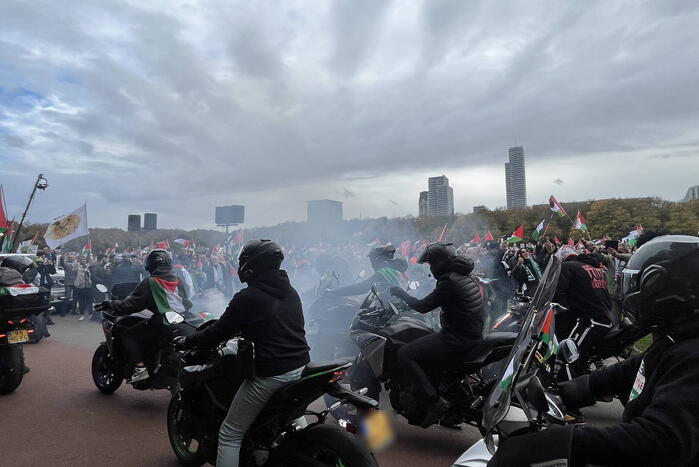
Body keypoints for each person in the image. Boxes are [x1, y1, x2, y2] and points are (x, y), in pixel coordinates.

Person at [489, 234, 699, 467]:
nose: (633, 291)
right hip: (603, 319)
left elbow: (661, 440)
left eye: (644, 284)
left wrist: (561, 441)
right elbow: (632, 369)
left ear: (670, 288)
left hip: (591, 320)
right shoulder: (675, 339)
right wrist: (567, 392)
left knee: (568, 352)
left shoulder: (692, 355)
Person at [173, 239, 310, 467]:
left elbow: (218, 331)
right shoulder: (290, 291)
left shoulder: (247, 297)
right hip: (302, 366)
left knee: (230, 432)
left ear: (252, 265)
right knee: (294, 418)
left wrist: (188, 340)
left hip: (272, 373)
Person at [390, 242, 483, 427]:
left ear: (440, 263)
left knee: (405, 353)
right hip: (472, 335)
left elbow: (423, 306)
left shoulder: (448, 282)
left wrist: (401, 294)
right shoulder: (467, 276)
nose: (431, 268)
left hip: (455, 338)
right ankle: (450, 413)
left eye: (431, 264)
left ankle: (433, 400)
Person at [95, 249, 191, 382]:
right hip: (182, 319)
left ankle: (140, 369)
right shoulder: (178, 280)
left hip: (163, 322)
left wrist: (111, 304)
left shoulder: (150, 282)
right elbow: (187, 301)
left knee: (128, 335)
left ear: (150, 265)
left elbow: (131, 305)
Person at [553, 245, 612, 355]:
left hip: (590, 321)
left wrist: (561, 311)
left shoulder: (567, 266)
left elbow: (558, 292)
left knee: (567, 356)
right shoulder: (595, 269)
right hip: (606, 317)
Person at [324, 245, 408, 297]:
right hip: (402, 307)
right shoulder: (394, 269)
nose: (371, 263)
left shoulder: (384, 273)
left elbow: (362, 287)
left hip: (396, 311)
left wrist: (334, 292)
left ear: (376, 259)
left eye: (371, 259)